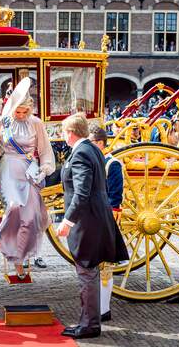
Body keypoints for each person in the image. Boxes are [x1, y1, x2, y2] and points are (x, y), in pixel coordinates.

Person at [56, 113, 128, 339]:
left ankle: (89, 325)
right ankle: (89, 322)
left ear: (70, 133)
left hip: (86, 222)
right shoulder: (92, 149)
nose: (62, 136)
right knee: (90, 273)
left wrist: (68, 220)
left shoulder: (80, 154)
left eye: (63, 132)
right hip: (96, 217)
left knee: (86, 272)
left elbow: (81, 192)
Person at [0, 77, 55, 280]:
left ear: (30, 110)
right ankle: (6, 244)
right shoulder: (4, 122)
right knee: (14, 207)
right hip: (9, 168)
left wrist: (45, 168)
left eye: (24, 112)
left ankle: (21, 258)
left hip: (29, 170)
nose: (20, 115)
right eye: (17, 111)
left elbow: (44, 150)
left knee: (29, 219)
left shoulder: (36, 123)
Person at [88, 127, 127, 322]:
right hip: (93, 219)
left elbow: (115, 198)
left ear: (100, 144)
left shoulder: (112, 164)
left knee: (105, 268)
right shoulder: (95, 162)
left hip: (104, 220)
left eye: (92, 142)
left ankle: (104, 309)